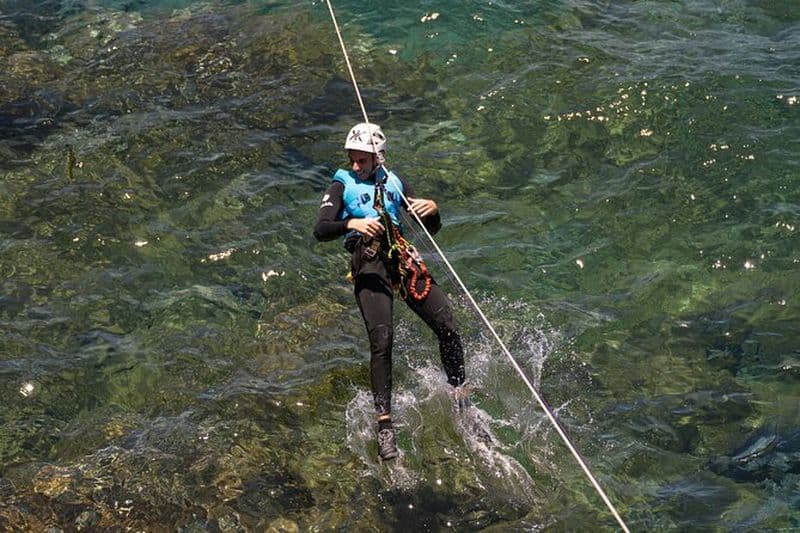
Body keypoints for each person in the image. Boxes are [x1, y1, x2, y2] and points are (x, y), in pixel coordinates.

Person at [314, 122, 468, 460]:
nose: (356, 166)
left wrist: (433, 210)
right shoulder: (342, 183)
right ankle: (385, 426)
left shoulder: (393, 182)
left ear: (378, 157)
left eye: (363, 161)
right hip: (369, 261)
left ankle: (461, 400)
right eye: (352, 159)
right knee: (382, 339)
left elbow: (430, 229)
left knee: (448, 326)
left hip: (400, 257)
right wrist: (351, 223)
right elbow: (321, 228)